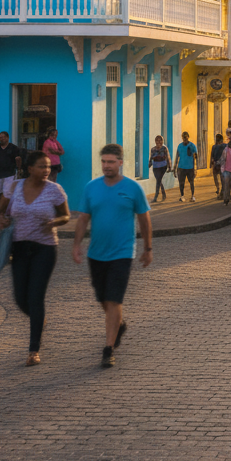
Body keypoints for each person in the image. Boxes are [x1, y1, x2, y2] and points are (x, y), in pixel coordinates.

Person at [72, 143, 152, 368]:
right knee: (103, 298)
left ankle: (108, 349)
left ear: (120, 163)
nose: (106, 166)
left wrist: (148, 248)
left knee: (115, 298)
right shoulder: (91, 188)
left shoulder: (133, 188)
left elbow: (144, 219)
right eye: (103, 162)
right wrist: (76, 245)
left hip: (122, 253)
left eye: (111, 162)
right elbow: (83, 218)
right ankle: (119, 324)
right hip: (96, 253)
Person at [0, 151, 70, 366]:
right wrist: (2, 220)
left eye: (48, 166)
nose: (46, 170)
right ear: (29, 169)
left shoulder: (54, 190)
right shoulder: (14, 187)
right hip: (19, 248)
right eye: (41, 166)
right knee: (21, 298)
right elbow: (1, 211)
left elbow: (66, 215)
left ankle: (33, 350)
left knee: (36, 297)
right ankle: (39, 318)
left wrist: (54, 222)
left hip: (45, 248)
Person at [174, 131, 197, 202]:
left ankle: (192, 196)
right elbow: (177, 156)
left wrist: (195, 168)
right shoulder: (180, 146)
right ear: (182, 138)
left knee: (191, 182)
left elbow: (195, 157)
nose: (185, 139)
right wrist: (175, 167)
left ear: (188, 137)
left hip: (190, 167)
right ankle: (182, 196)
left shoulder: (192, 146)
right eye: (183, 138)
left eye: (186, 138)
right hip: (181, 167)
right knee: (181, 183)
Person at [149, 136, 170, 202]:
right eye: (157, 140)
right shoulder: (153, 149)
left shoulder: (164, 148)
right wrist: (150, 163)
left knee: (158, 180)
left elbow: (168, 157)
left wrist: (169, 166)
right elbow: (151, 157)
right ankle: (163, 193)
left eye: (160, 140)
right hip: (155, 167)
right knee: (159, 180)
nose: (159, 142)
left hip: (163, 166)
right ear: (155, 141)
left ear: (162, 141)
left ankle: (156, 196)